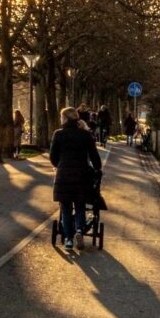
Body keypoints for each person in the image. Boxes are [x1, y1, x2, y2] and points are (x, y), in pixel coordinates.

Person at [50, 107, 102, 251]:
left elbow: (53, 157)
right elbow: (94, 156)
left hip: (64, 175)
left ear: (65, 119)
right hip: (82, 175)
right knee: (80, 205)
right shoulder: (85, 135)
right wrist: (97, 168)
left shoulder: (58, 134)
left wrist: (60, 165)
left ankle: (67, 239)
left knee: (65, 208)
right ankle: (79, 230)